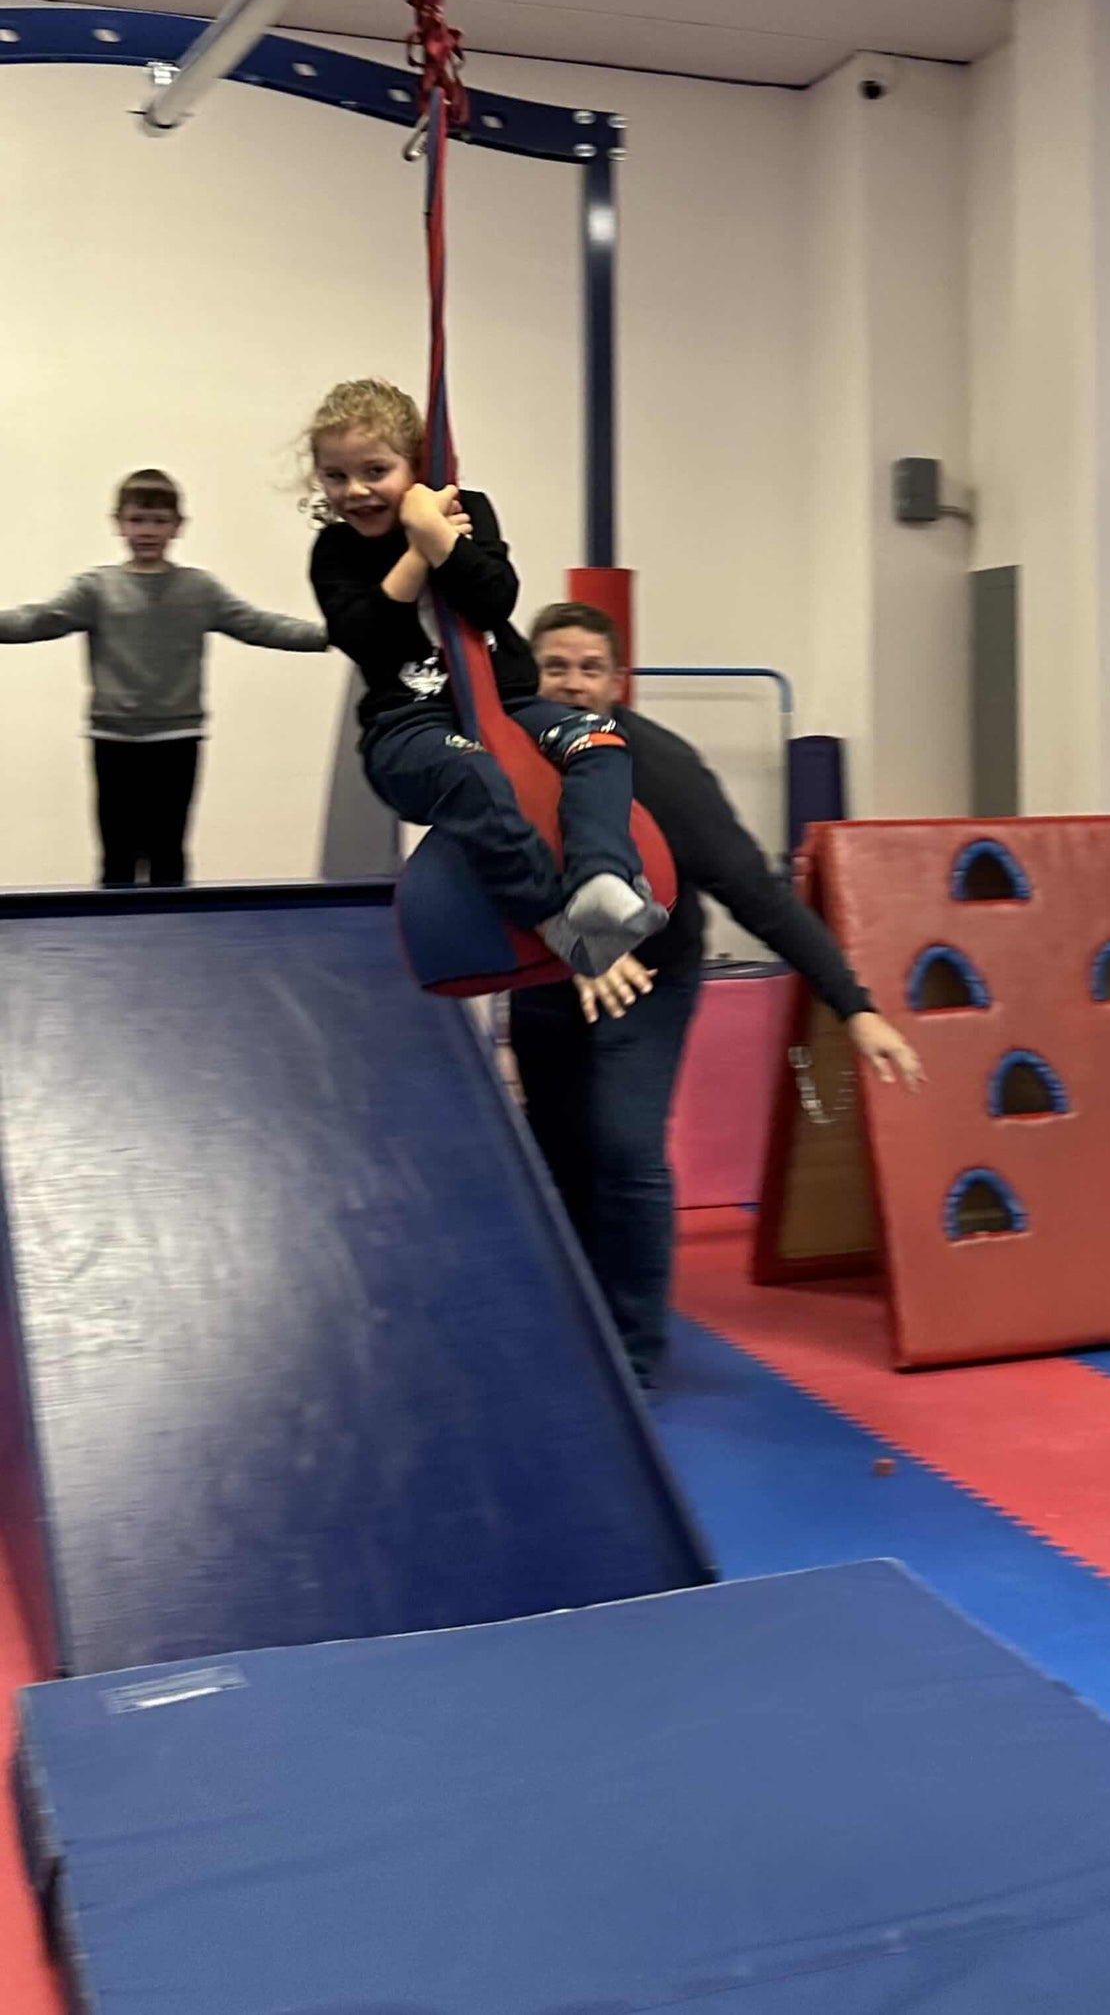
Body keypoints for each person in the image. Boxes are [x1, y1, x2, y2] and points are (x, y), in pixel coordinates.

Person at [509, 599, 922, 1389]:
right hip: (548, 970)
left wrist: (855, 1004)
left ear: (618, 682)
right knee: (557, 1149)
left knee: (624, 1144)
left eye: (590, 669)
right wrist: (569, 944)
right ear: (533, 675)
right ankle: (570, 1320)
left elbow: (755, 894)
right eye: (555, 667)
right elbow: (487, 868)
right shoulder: (507, 759)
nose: (572, 683)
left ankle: (630, 1356)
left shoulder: (661, 771)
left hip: (649, 974)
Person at [303, 379, 667, 977]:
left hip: (508, 702)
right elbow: (365, 637)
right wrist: (422, 546)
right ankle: (551, 916)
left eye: (375, 471)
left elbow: (495, 599)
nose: (357, 491)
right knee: (472, 772)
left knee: (600, 738)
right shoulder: (335, 551)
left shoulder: (468, 508)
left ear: (415, 466)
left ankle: (600, 876)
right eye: (336, 477)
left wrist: (442, 532)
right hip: (408, 727)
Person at [0, 467, 326, 886]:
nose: (147, 531)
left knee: (168, 852)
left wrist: (333, 635)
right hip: (113, 739)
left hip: (177, 739)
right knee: (117, 854)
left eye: (158, 520)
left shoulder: (199, 590)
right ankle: (117, 927)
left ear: (177, 525)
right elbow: (35, 620)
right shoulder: (96, 589)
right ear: (119, 523)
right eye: (137, 519)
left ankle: (172, 927)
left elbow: (260, 625)